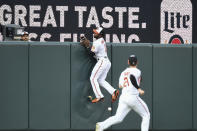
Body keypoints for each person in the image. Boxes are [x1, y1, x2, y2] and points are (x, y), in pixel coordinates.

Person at [95, 55, 150, 131]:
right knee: (146, 115)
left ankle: (101, 125)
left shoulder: (123, 73)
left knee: (118, 117)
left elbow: (120, 86)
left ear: (128, 62)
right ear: (137, 62)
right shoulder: (137, 71)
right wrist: (138, 88)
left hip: (124, 97)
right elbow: (131, 77)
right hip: (133, 97)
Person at [83, 27, 119, 103]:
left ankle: (99, 96)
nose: (94, 33)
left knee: (92, 78)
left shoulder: (97, 42)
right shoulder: (101, 40)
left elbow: (91, 53)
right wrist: (88, 45)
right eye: (95, 32)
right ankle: (113, 91)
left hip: (102, 61)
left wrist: (87, 46)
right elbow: (94, 51)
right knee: (100, 80)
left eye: (96, 33)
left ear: (100, 34)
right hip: (106, 61)